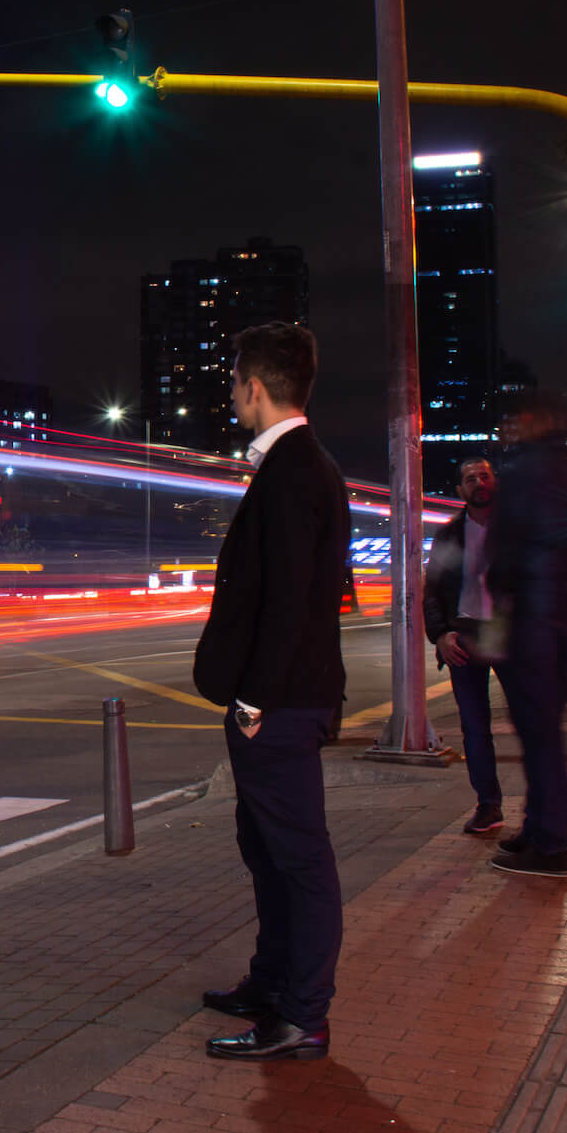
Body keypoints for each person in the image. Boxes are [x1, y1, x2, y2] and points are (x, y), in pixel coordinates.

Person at [192, 321, 349, 1062]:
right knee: (266, 849)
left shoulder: (294, 472)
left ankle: (302, 1016)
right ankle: (271, 981)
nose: (230, 393)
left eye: (232, 382)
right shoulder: (298, 466)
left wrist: (252, 703)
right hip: (284, 700)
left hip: (278, 705)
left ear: (255, 387)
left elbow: (289, 604)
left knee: (298, 859)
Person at [485, 392, 567, 878]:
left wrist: (499, 589)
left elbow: (507, 547)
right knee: (542, 729)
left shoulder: (527, 472)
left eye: (517, 419)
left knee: (540, 734)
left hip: (534, 615)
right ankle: (537, 827)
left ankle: (550, 844)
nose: (510, 428)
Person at [423, 457, 508, 835]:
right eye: (470, 479)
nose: (478, 483)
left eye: (484, 476)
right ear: (460, 490)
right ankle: (488, 805)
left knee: (532, 723)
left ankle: (543, 809)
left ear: (496, 482)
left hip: (510, 636)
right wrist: (441, 634)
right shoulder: (449, 536)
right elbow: (432, 593)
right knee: (475, 728)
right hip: (466, 637)